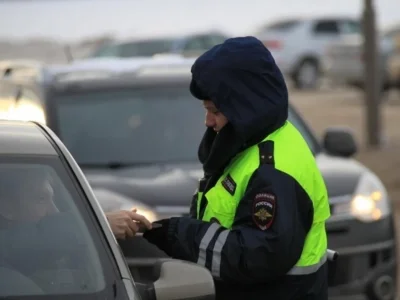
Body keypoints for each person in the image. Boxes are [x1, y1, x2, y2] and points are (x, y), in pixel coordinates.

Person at [142, 36, 331, 300]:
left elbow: (256, 256)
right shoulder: (253, 140)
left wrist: (178, 234)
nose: (208, 121)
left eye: (215, 110)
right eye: (205, 109)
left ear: (247, 109)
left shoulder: (272, 169)